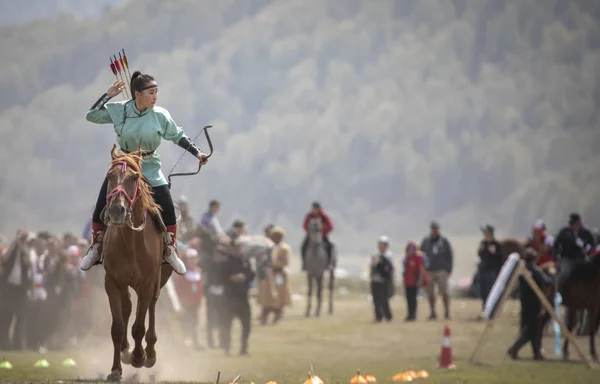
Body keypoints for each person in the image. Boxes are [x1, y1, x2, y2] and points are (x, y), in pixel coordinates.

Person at [79, 74, 209, 275]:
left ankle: (169, 248)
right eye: (151, 92)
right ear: (137, 94)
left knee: (168, 207)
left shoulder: (160, 115)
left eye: (156, 92)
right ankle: (96, 246)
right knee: (101, 205)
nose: (155, 96)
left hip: (150, 166)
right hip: (123, 165)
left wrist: (197, 152)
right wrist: (108, 95)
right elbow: (91, 115)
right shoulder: (120, 109)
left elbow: (177, 135)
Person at [507, 248, 553, 360]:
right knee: (533, 330)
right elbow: (547, 281)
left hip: (524, 303)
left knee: (532, 329)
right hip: (535, 304)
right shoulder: (536, 270)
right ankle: (514, 348)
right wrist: (552, 274)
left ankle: (537, 353)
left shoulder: (521, 270)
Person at [221, 239, 256, 356]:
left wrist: (244, 277)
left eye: (239, 247)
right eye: (235, 248)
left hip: (243, 297)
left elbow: (252, 275)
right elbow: (220, 277)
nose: (238, 250)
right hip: (229, 298)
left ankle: (244, 348)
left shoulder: (245, 261)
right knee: (227, 324)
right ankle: (227, 349)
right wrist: (232, 278)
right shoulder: (226, 262)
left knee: (246, 324)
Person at [553, 213, 596, 290]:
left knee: (591, 272)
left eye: (575, 223)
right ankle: (557, 291)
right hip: (567, 258)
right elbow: (556, 245)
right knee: (564, 273)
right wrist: (556, 259)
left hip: (581, 259)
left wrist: (588, 250)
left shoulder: (586, 232)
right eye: (571, 223)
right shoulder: (564, 232)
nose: (573, 225)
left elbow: (593, 245)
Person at [420, 221, 453, 320]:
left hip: (441, 269)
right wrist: (422, 270)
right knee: (430, 293)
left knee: (444, 291)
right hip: (429, 270)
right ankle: (433, 312)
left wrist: (449, 269)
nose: (434, 230)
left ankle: (447, 312)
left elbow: (449, 255)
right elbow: (421, 255)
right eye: (433, 228)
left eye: (436, 228)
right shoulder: (426, 241)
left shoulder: (444, 241)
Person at [258, 227, 292, 325]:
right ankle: (264, 315)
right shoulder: (268, 247)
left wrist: (274, 264)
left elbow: (285, 262)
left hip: (279, 274)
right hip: (269, 274)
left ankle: (278, 313)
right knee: (267, 294)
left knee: (280, 292)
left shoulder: (284, 248)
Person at [301, 202, 334, 271]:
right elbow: (304, 225)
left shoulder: (324, 216)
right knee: (303, 246)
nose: (314, 210)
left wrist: (323, 232)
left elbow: (330, 226)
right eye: (313, 209)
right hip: (311, 235)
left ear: (319, 209)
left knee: (329, 246)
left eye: (316, 209)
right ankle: (304, 263)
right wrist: (309, 232)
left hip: (322, 235)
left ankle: (329, 263)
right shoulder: (309, 215)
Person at [477, 224, 503, 310]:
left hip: (491, 271)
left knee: (490, 292)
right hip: (483, 270)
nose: (484, 234)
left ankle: (491, 310)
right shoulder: (483, 243)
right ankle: (484, 309)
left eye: (486, 232)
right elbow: (480, 254)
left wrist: (494, 252)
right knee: (483, 292)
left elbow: (500, 258)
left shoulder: (496, 244)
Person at [369, 236, 394, 323]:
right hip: (375, 280)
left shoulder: (388, 256)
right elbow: (372, 267)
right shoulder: (376, 256)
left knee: (384, 300)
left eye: (382, 244)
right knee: (376, 299)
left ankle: (388, 316)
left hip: (384, 281)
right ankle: (378, 316)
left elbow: (389, 270)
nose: (380, 246)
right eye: (379, 244)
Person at [403, 241, 426, 321]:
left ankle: (413, 315)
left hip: (414, 282)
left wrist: (420, 279)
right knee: (408, 299)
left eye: (413, 248)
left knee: (413, 299)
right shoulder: (407, 258)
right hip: (407, 282)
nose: (411, 250)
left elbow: (421, 269)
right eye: (409, 248)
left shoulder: (418, 257)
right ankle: (409, 315)